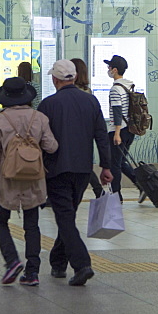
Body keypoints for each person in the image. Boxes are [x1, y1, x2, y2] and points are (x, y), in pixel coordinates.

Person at [0, 77, 58, 287]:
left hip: (7, 177)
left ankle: (12, 260)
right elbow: (52, 146)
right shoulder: (39, 117)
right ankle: (33, 271)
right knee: (32, 224)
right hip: (33, 177)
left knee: (0, 220)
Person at [37, 59, 113, 286]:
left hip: (56, 169)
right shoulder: (90, 101)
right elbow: (102, 135)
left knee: (65, 217)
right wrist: (106, 166)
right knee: (67, 216)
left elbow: (40, 139)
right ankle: (58, 262)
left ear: (55, 79)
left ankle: (82, 265)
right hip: (82, 170)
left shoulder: (48, 104)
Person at [105, 54, 138, 199]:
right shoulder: (129, 85)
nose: (108, 69)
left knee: (115, 165)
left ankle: (116, 194)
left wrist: (116, 133)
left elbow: (117, 112)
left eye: (110, 67)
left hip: (119, 131)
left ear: (115, 70)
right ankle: (141, 184)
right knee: (120, 161)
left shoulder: (115, 89)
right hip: (129, 130)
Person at [71, 57, 104, 199]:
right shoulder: (88, 91)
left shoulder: (74, 92)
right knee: (84, 165)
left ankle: (97, 189)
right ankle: (97, 190)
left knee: (79, 165)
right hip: (86, 135)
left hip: (74, 134)